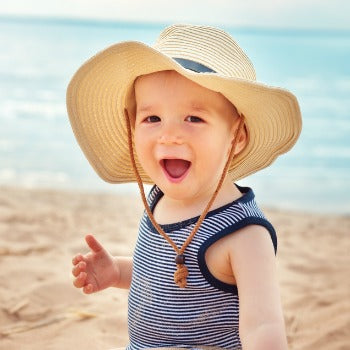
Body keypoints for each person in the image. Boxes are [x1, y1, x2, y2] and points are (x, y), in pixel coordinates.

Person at [67, 24, 302, 350]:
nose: (170, 135)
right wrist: (118, 272)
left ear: (237, 137)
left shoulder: (244, 234)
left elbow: (263, 327)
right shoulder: (158, 200)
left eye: (193, 118)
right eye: (152, 119)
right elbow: (169, 280)